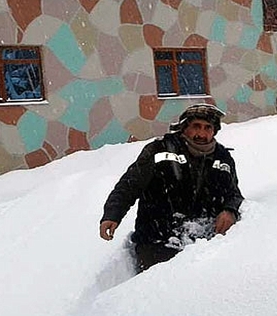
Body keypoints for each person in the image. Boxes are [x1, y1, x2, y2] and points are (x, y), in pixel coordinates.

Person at [99, 103, 244, 273]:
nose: (202, 133)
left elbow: (233, 193)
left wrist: (229, 210)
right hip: (157, 243)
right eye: (196, 126)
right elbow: (130, 185)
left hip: (203, 246)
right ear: (184, 128)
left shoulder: (223, 157)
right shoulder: (159, 149)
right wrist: (112, 215)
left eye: (208, 128)